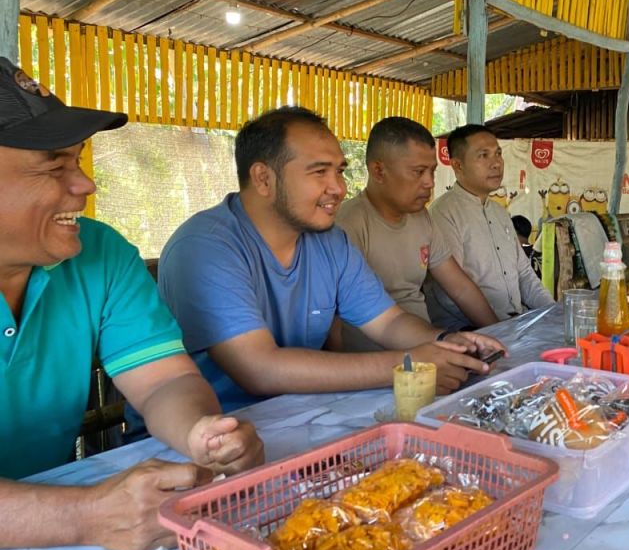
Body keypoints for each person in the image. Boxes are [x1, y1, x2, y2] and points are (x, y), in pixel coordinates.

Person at [0, 57, 264, 550]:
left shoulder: (98, 253)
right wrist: (84, 516)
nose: (85, 184)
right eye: (54, 166)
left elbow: (165, 381)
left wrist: (202, 433)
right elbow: (84, 517)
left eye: (77, 160)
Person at [157, 107, 505, 411]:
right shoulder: (205, 248)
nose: (339, 187)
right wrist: (408, 363)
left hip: (304, 413)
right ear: (263, 178)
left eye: (339, 171)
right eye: (319, 172)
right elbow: (259, 368)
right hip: (211, 433)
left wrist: (445, 343)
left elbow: (388, 323)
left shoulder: (329, 241)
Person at [337, 117, 501, 346]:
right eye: (418, 171)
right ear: (378, 171)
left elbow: (461, 288)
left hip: (427, 349)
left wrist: (500, 335)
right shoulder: (348, 225)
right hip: (372, 360)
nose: (429, 183)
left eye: (432, 171)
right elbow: (334, 320)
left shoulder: (422, 218)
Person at [424, 125, 555, 329]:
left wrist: (555, 313)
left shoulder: (500, 213)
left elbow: (524, 275)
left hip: (514, 324)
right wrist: (500, 327)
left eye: (498, 154)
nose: (496, 164)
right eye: (483, 155)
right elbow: (449, 292)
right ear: (457, 165)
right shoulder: (443, 213)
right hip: (468, 332)